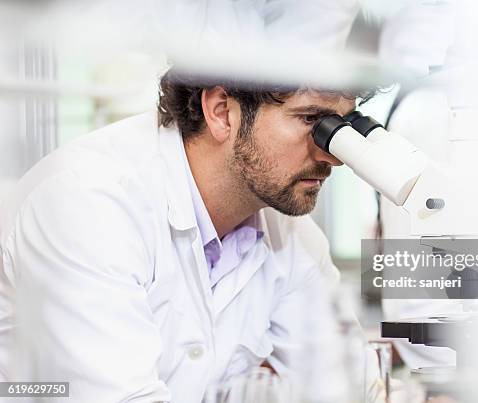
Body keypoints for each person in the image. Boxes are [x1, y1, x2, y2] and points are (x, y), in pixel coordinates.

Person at [0, 69, 373, 402]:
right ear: (221, 110)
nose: (333, 156)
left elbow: (354, 387)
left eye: (342, 127)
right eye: (311, 120)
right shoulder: (87, 202)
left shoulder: (291, 235)